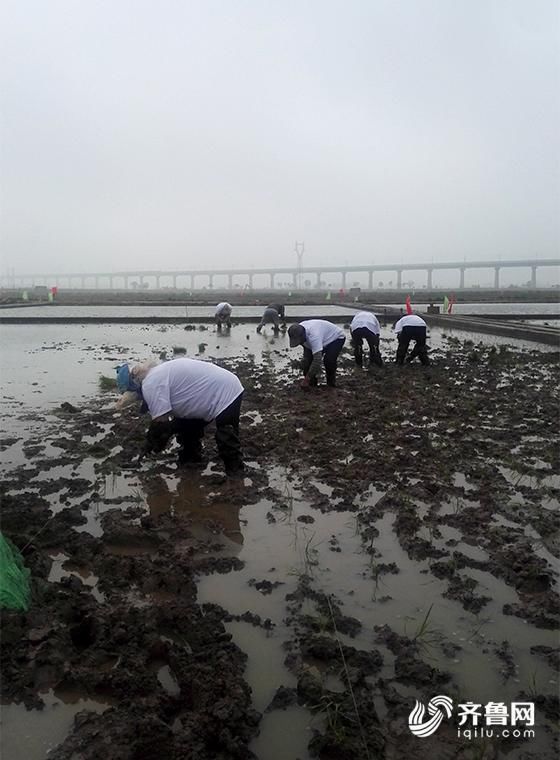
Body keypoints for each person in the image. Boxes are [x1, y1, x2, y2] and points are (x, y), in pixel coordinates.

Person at [116, 358, 245, 476]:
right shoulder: (155, 375)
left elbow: (161, 424)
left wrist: (150, 444)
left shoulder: (151, 383)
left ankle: (236, 476)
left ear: (134, 386)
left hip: (226, 391)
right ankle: (191, 460)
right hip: (213, 390)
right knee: (185, 426)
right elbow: (170, 422)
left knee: (226, 436)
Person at [288, 319, 345, 387]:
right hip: (321, 337)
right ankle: (312, 385)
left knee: (329, 361)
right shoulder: (298, 330)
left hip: (335, 338)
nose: (299, 343)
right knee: (307, 362)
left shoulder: (314, 336)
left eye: (299, 341)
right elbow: (307, 352)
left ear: (303, 336)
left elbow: (317, 360)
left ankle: (331, 384)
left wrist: (306, 379)